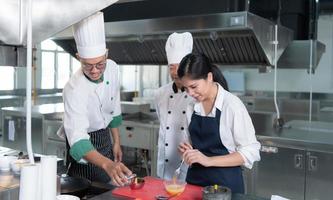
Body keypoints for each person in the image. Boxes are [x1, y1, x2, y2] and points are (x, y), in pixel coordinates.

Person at [58, 12, 132, 186]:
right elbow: (78, 139)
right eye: (87, 65)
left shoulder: (113, 68)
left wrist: (116, 142)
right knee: (86, 186)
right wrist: (107, 163)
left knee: (107, 186)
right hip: (85, 144)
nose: (95, 71)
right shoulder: (74, 89)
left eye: (100, 64)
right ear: (78, 58)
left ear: (106, 55)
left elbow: (113, 105)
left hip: (104, 137)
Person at [177, 53, 261, 193]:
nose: (190, 93)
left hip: (225, 186)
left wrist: (208, 160)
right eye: (186, 88)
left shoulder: (232, 105)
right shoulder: (191, 106)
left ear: (209, 77)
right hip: (194, 183)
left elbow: (251, 151)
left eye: (194, 86)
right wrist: (187, 151)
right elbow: (192, 144)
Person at [154, 32, 194, 181]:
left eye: (180, 67)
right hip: (165, 164)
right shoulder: (160, 94)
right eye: (172, 67)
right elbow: (163, 123)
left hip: (187, 164)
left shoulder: (197, 95)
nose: (175, 73)